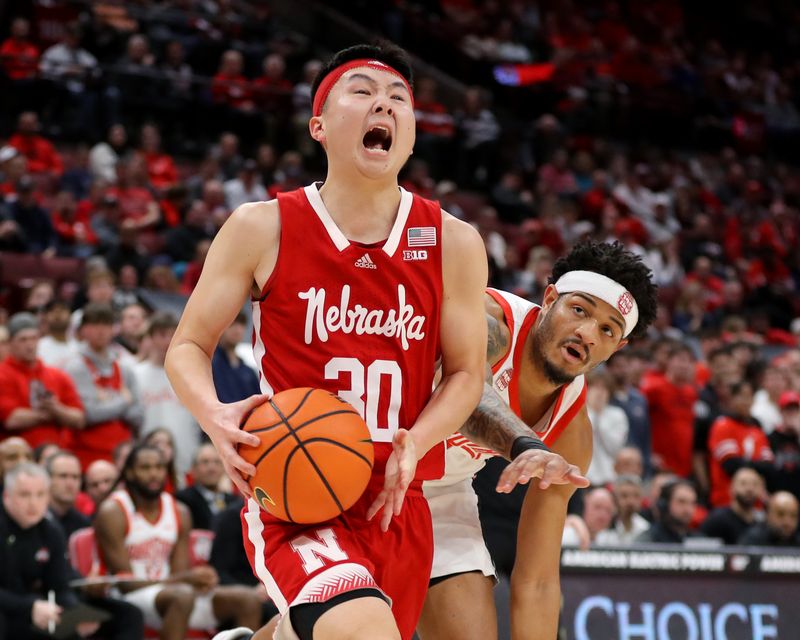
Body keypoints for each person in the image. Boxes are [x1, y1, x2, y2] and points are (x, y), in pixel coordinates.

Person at [165, 42, 492, 640]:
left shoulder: (455, 242)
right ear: (319, 125)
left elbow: (468, 374)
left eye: (399, 99)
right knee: (361, 632)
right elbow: (188, 344)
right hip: (299, 491)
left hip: (397, 496)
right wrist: (212, 415)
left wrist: (417, 442)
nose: (384, 107)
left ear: (413, 135)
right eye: (363, 92)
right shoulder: (262, 226)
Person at [419, 240, 658, 640]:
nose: (586, 333)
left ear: (618, 347)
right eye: (578, 310)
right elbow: (469, 394)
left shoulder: (571, 430)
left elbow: (538, 582)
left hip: (440, 496)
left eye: (606, 330)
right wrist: (525, 443)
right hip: (369, 461)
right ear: (550, 298)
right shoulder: (490, 322)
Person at [93, 444, 263, 640]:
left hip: (174, 595)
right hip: (130, 598)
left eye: (159, 467)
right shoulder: (113, 511)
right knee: (181, 596)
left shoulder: (179, 511)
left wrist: (198, 579)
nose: (154, 474)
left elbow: (179, 574)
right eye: (145, 468)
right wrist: (184, 579)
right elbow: (125, 583)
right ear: (130, 473)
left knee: (247, 599)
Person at [0, 463, 100, 639]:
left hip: (34, 606)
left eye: (40, 495)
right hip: (10, 608)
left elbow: (59, 586)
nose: (33, 503)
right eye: (24, 495)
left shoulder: (51, 530)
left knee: (127, 614)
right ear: (7, 496)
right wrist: (30, 606)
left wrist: (75, 613)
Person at [0, 312, 85, 450]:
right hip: (19, 452)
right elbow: (11, 419)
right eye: (23, 340)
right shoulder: (3, 375)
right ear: (10, 343)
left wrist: (56, 408)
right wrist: (54, 414)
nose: (30, 345)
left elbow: (79, 418)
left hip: (58, 451)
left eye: (34, 338)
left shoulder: (57, 375)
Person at [707, 379, 774, 508]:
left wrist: (745, 462)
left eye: (749, 397)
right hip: (726, 502)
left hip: (756, 505)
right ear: (731, 399)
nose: (746, 401)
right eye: (741, 396)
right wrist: (756, 465)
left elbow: (769, 467)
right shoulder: (722, 425)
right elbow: (731, 465)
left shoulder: (757, 429)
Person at [176, 444, 238, 531]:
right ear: (193, 469)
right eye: (205, 462)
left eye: (217, 462)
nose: (212, 468)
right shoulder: (182, 500)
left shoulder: (235, 501)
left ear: (224, 468)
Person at [701, 467, 764, 545]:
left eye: (754, 484)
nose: (749, 489)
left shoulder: (762, 522)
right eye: (743, 483)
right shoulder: (717, 519)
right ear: (731, 488)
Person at [635, 480, 698, 544]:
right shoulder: (647, 540)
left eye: (692, 503)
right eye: (681, 502)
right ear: (665, 505)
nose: (688, 509)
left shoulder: (698, 539)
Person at [595, 475, 650, 545]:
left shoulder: (645, 528)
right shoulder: (605, 527)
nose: (630, 501)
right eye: (624, 496)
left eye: (636, 496)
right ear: (615, 498)